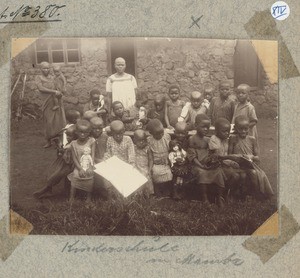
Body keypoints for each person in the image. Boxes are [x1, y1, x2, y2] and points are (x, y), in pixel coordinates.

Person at [228, 116, 274, 199]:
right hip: (236, 165)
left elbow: (257, 158)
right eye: (240, 129)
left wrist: (251, 157)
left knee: (254, 173)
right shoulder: (233, 139)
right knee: (242, 176)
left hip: (249, 165)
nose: (243, 131)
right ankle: (236, 194)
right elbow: (229, 154)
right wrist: (236, 158)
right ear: (235, 128)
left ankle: (255, 194)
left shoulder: (252, 139)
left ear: (249, 128)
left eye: (246, 129)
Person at [187, 114, 226, 207]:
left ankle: (219, 197)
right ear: (196, 126)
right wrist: (201, 165)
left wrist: (212, 161)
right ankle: (205, 198)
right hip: (197, 164)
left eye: (207, 127)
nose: (206, 129)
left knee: (218, 172)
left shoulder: (208, 140)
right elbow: (192, 156)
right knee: (202, 173)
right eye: (203, 127)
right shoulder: (192, 139)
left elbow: (212, 153)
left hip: (207, 164)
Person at [33, 125, 76, 199]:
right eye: (67, 136)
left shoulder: (73, 144)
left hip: (69, 165)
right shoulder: (69, 143)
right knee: (52, 171)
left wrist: (61, 148)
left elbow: (68, 157)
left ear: (75, 136)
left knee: (57, 175)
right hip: (63, 163)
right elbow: (62, 154)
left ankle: (46, 188)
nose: (68, 138)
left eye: (70, 136)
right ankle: (48, 189)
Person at [36, 61, 66, 148]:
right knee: (48, 121)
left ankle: (59, 141)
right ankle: (48, 140)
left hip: (56, 102)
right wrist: (54, 91)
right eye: (44, 68)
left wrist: (60, 91)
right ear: (41, 69)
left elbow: (60, 86)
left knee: (58, 121)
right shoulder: (38, 78)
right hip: (47, 102)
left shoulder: (53, 77)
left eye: (48, 68)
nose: (46, 70)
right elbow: (41, 88)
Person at [69, 120, 95, 202]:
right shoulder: (73, 144)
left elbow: (93, 156)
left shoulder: (91, 141)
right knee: (76, 175)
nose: (83, 134)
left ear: (89, 133)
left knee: (90, 176)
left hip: (89, 165)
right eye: (80, 132)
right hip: (78, 165)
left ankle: (88, 197)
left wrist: (90, 167)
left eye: (85, 132)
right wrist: (80, 169)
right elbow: (74, 158)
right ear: (76, 132)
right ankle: (71, 197)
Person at [147, 119, 173, 197]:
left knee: (168, 173)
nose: (161, 135)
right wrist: (151, 166)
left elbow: (170, 149)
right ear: (151, 133)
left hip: (166, 161)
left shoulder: (167, 136)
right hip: (156, 163)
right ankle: (157, 190)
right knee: (155, 173)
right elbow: (150, 156)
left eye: (162, 132)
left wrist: (169, 160)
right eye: (157, 134)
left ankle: (166, 189)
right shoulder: (149, 140)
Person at [133, 129, 154, 195]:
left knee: (146, 177)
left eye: (143, 140)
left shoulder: (147, 148)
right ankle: (138, 194)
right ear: (135, 141)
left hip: (145, 168)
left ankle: (147, 193)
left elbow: (151, 159)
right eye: (139, 141)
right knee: (136, 178)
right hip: (136, 167)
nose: (141, 142)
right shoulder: (133, 148)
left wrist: (150, 169)